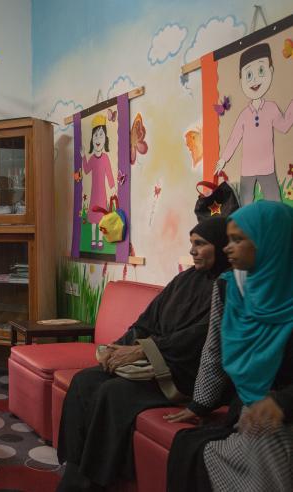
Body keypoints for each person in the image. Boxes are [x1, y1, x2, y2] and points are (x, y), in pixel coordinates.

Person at [56, 217, 231, 491]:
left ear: (221, 247)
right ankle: (75, 468)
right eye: (191, 244)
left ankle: (98, 481)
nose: (193, 251)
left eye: (201, 244)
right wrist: (116, 348)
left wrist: (141, 352)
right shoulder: (184, 279)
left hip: (183, 373)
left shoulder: (228, 287)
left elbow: (198, 339)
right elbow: (146, 321)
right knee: (85, 381)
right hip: (152, 361)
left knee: (112, 393)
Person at [167, 201, 293, 492]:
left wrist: (282, 402)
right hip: (249, 408)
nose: (227, 247)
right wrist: (199, 404)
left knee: (264, 448)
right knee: (190, 447)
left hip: (280, 413)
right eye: (228, 239)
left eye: (238, 239)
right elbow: (215, 350)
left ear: (270, 240)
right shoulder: (230, 287)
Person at [214, 43, 293, 204]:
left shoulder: (271, 108)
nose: (255, 79)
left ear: (270, 71)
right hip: (248, 169)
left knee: (275, 202)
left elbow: (284, 126)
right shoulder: (244, 115)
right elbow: (234, 138)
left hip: (267, 167)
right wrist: (223, 159)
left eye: (261, 71)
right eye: (249, 75)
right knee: (245, 206)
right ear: (241, 79)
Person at [81, 114, 116, 250]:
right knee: (93, 220)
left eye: (101, 135)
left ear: (105, 139)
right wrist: (84, 156)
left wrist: (113, 189)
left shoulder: (105, 158)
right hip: (93, 194)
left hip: (102, 195)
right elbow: (86, 169)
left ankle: (100, 241)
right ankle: (93, 240)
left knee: (101, 219)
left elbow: (109, 175)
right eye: (95, 135)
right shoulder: (93, 159)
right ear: (92, 139)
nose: (98, 138)